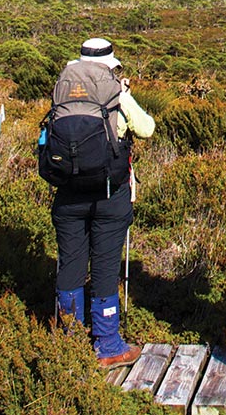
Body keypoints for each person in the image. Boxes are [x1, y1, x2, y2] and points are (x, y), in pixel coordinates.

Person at [46, 37, 153, 366]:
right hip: (110, 192)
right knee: (105, 266)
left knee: (70, 264)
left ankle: (69, 342)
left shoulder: (61, 89)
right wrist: (125, 95)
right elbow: (146, 129)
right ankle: (107, 344)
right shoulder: (115, 92)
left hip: (67, 193)